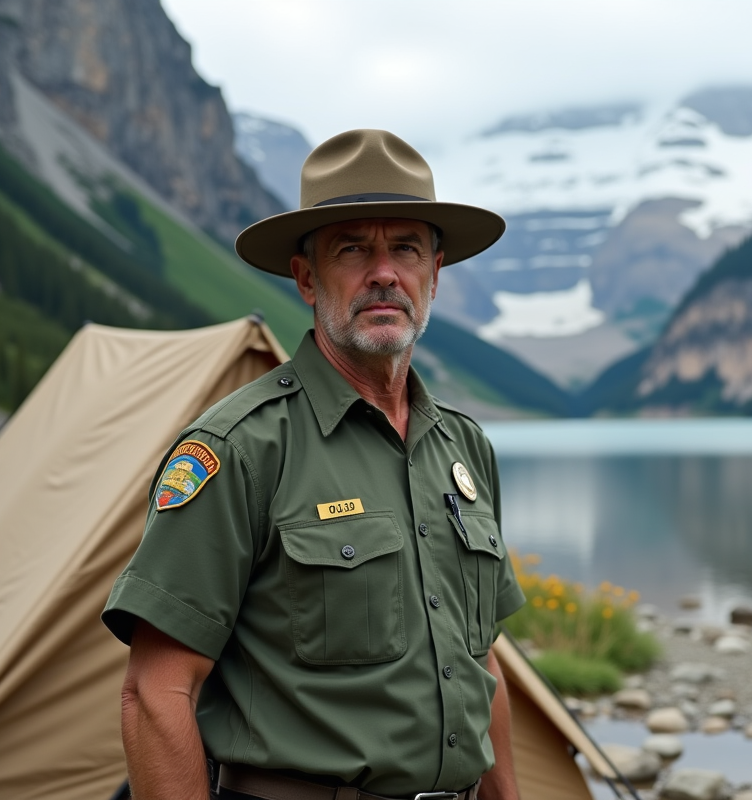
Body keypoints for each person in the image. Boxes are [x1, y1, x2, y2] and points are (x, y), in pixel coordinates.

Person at [102, 129, 526, 800]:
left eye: (406, 249)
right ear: (306, 277)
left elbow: (484, 666)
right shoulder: (240, 448)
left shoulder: (464, 448)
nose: (384, 272)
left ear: (435, 275)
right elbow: (155, 693)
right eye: (353, 248)